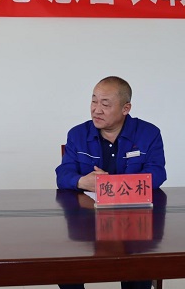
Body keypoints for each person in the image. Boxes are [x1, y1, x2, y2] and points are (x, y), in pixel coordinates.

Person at [55, 76, 166, 289]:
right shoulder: (77, 134)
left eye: (105, 104)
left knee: (140, 266)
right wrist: (82, 181)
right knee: (66, 265)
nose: (96, 110)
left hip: (135, 222)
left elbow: (157, 173)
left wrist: (110, 184)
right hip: (86, 222)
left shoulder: (149, 133)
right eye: (94, 101)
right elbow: (63, 174)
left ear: (126, 108)